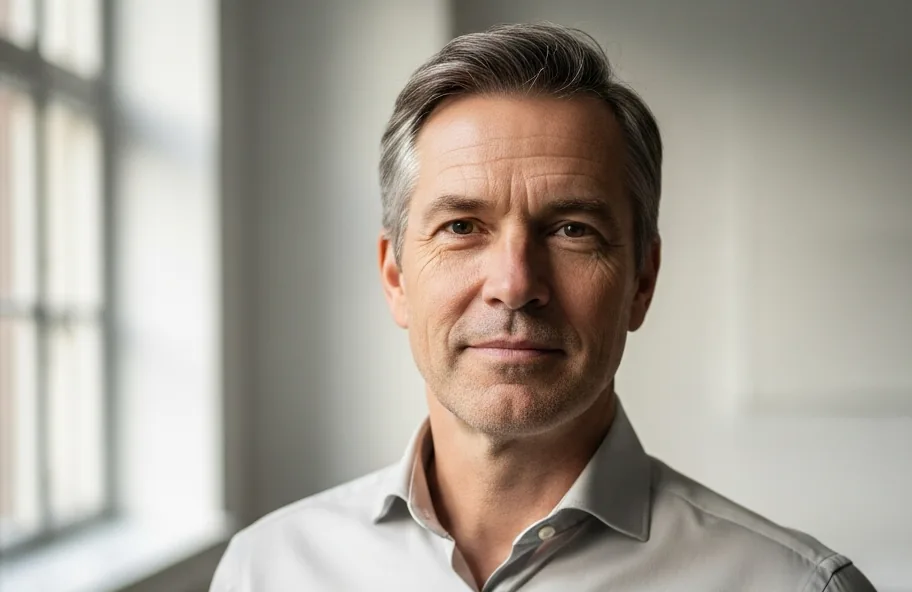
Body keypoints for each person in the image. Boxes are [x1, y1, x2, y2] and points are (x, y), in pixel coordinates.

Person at [210, 23, 876, 591]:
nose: (515, 283)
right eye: (462, 226)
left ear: (641, 280)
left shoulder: (794, 586)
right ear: (395, 276)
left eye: (571, 230)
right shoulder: (266, 570)